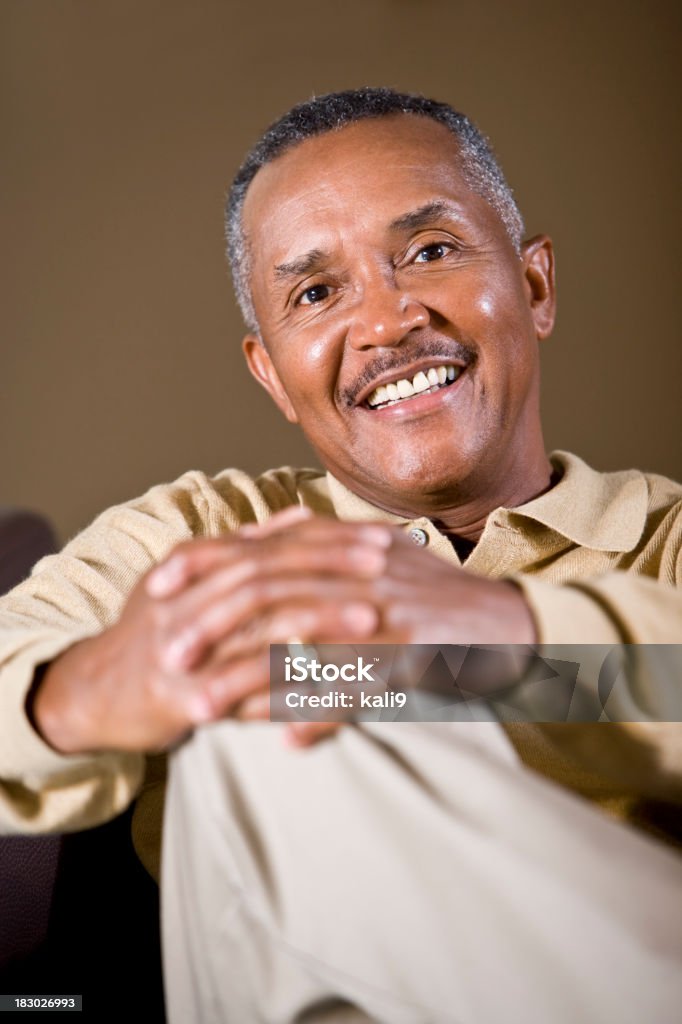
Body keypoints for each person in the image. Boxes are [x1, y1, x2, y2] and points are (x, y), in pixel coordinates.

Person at [0, 88, 680, 1023]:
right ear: (272, 372)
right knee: (278, 679)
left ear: (535, 287)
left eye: (430, 253)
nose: (388, 322)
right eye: (317, 293)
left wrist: (502, 644)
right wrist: (84, 690)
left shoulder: (669, 539)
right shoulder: (198, 538)